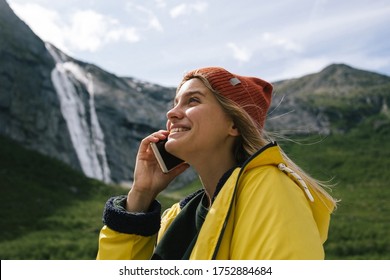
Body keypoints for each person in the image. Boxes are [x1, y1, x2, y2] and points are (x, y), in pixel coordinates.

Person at [96, 67, 337, 260]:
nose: (172, 113)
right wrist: (141, 194)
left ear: (234, 124)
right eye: (175, 102)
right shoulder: (175, 217)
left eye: (193, 101)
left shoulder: (271, 187)